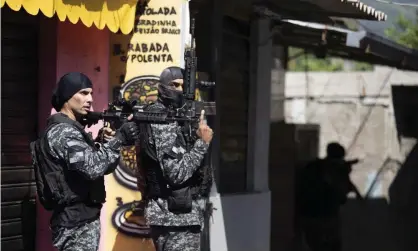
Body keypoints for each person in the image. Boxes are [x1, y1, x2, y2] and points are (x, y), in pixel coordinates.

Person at [30, 72, 139, 251]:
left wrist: (105, 142)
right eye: (83, 93)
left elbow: (102, 166)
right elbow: (92, 168)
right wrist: (119, 139)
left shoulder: (72, 130)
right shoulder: (63, 132)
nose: (89, 99)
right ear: (67, 96)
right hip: (74, 226)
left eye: (91, 94)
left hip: (82, 221)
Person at [138, 66, 214, 251]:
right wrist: (202, 144)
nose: (179, 90)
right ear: (162, 87)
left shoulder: (178, 116)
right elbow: (176, 173)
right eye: (174, 85)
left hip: (179, 216)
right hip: (174, 217)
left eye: (182, 86)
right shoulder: (160, 118)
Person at [296, 142, 362, 251]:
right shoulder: (331, 171)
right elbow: (341, 196)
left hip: (309, 217)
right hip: (324, 218)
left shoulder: (312, 166)